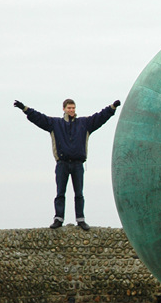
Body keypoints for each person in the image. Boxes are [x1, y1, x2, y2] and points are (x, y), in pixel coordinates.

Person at [14, 98, 121, 230]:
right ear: (64, 109)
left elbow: (99, 117)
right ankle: (58, 219)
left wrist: (112, 108)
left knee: (79, 193)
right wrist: (24, 109)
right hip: (62, 163)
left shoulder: (84, 123)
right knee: (60, 193)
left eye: (73, 108)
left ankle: (80, 219)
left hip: (78, 164)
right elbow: (39, 118)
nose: (71, 110)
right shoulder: (55, 123)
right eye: (69, 108)